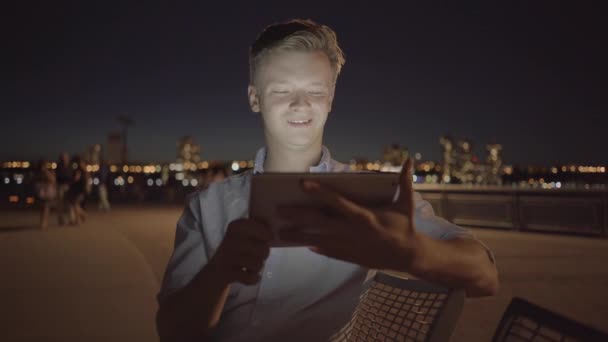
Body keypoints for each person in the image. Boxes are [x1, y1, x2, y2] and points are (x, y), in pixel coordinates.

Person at [156, 19, 499, 341]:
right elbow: (171, 332)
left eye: (315, 92)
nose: (300, 104)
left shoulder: (370, 198)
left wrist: (413, 252)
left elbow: (484, 274)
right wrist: (219, 271)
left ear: (331, 99)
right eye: (281, 91)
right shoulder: (207, 206)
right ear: (254, 98)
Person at [33, 160, 56, 229]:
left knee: (46, 207)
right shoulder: (37, 173)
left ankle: (44, 223)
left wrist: (46, 172)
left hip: (48, 191)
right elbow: (34, 181)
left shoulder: (49, 172)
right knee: (42, 207)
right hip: (41, 191)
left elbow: (53, 180)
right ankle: (43, 222)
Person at [67, 155, 89, 225]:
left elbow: (76, 179)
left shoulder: (79, 170)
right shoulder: (85, 170)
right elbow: (87, 180)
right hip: (80, 189)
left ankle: (81, 217)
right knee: (76, 204)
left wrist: (71, 181)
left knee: (75, 204)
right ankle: (79, 218)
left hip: (77, 189)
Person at [55, 152, 73, 225]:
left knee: (70, 204)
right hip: (60, 186)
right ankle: (61, 220)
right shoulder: (59, 167)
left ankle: (71, 219)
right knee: (60, 204)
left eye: (65, 158)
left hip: (68, 187)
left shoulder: (70, 167)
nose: (64, 159)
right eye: (63, 158)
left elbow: (71, 177)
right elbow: (57, 177)